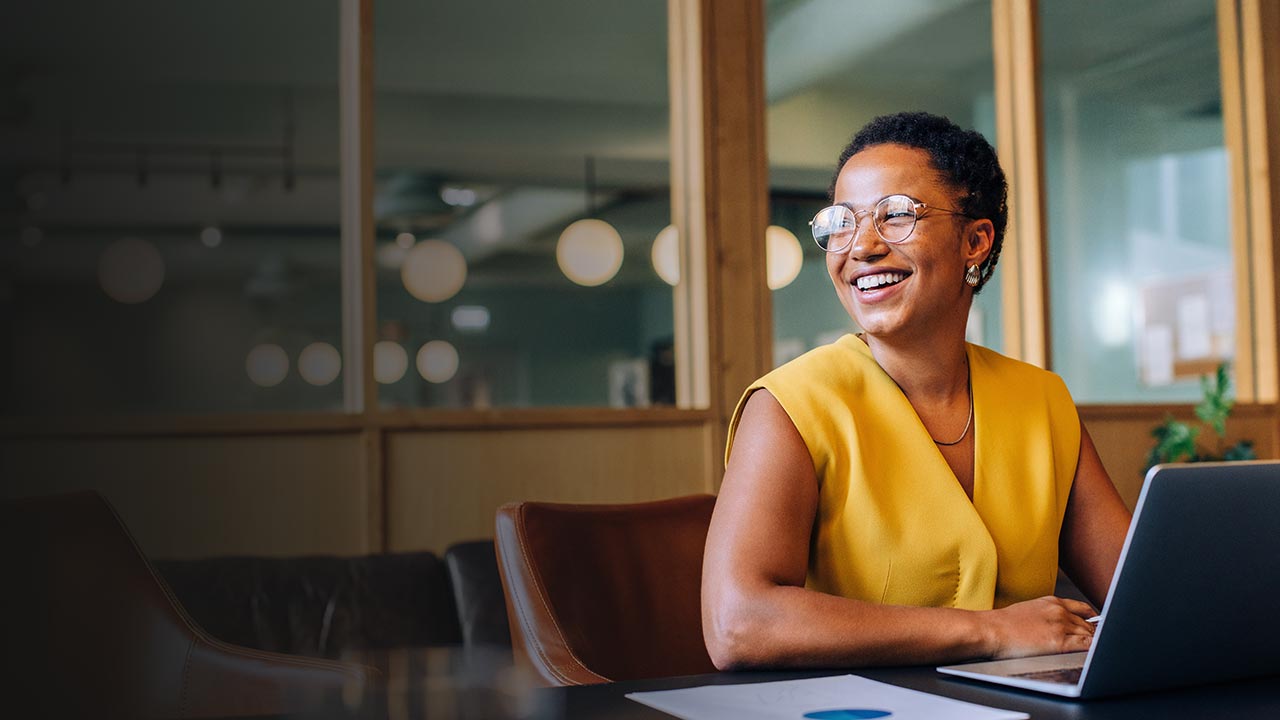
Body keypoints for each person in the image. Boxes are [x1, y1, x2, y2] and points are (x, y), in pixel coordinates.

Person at [701, 112, 1133, 670]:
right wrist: (991, 632)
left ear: (975, 240)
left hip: (1026, 702)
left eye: (897, 214)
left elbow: (1142, 592)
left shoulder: (1041, 399)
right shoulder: (790, 406)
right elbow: (737, 625)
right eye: (842, 222)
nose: (861, 246)